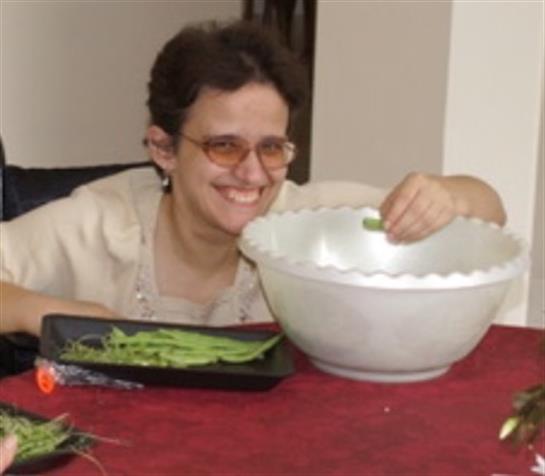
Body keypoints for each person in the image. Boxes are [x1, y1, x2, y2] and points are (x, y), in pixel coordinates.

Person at [0, 20, 506, 337]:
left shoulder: (302, 217)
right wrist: (53, 312)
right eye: (224, 145)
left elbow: (488, 211)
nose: (252, 173)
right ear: (163, 148)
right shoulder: (102, 223)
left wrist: (446, 193)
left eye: (271, 148)